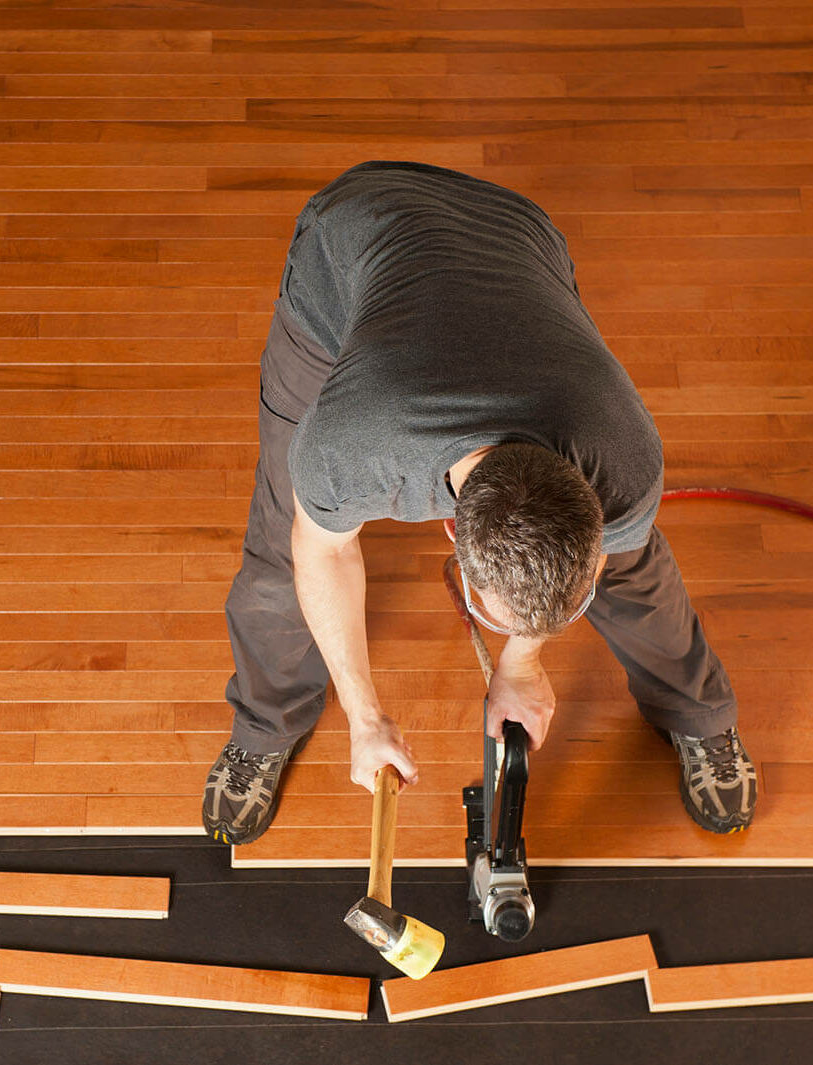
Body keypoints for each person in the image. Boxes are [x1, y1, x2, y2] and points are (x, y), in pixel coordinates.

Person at [201, 160, 757, 847]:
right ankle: (263, 724)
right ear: (449, 535)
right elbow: (320, 552)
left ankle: (699, 714)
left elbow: (590, 568)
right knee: (280, 544)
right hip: (353, 235)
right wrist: (364, 716)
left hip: (510, 230)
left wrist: (520, 665)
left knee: (636, 562)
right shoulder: (352, 445)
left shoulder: (619, 452)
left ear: (587, 505)